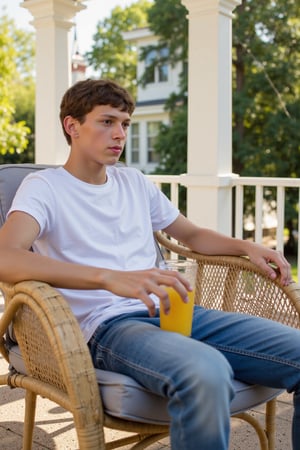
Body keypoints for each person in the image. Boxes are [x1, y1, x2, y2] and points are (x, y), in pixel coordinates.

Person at [0, 78, 299, 450]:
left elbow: (192, 235)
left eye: (125, 124)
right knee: (207, 372)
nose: (120, 134)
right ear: (72, 126)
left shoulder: (134, 182)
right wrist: (108, 278)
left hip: (179, 311)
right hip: (107, 327)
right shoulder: (44, 187)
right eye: (107, 121)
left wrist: (247, 246)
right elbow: (6, 257)